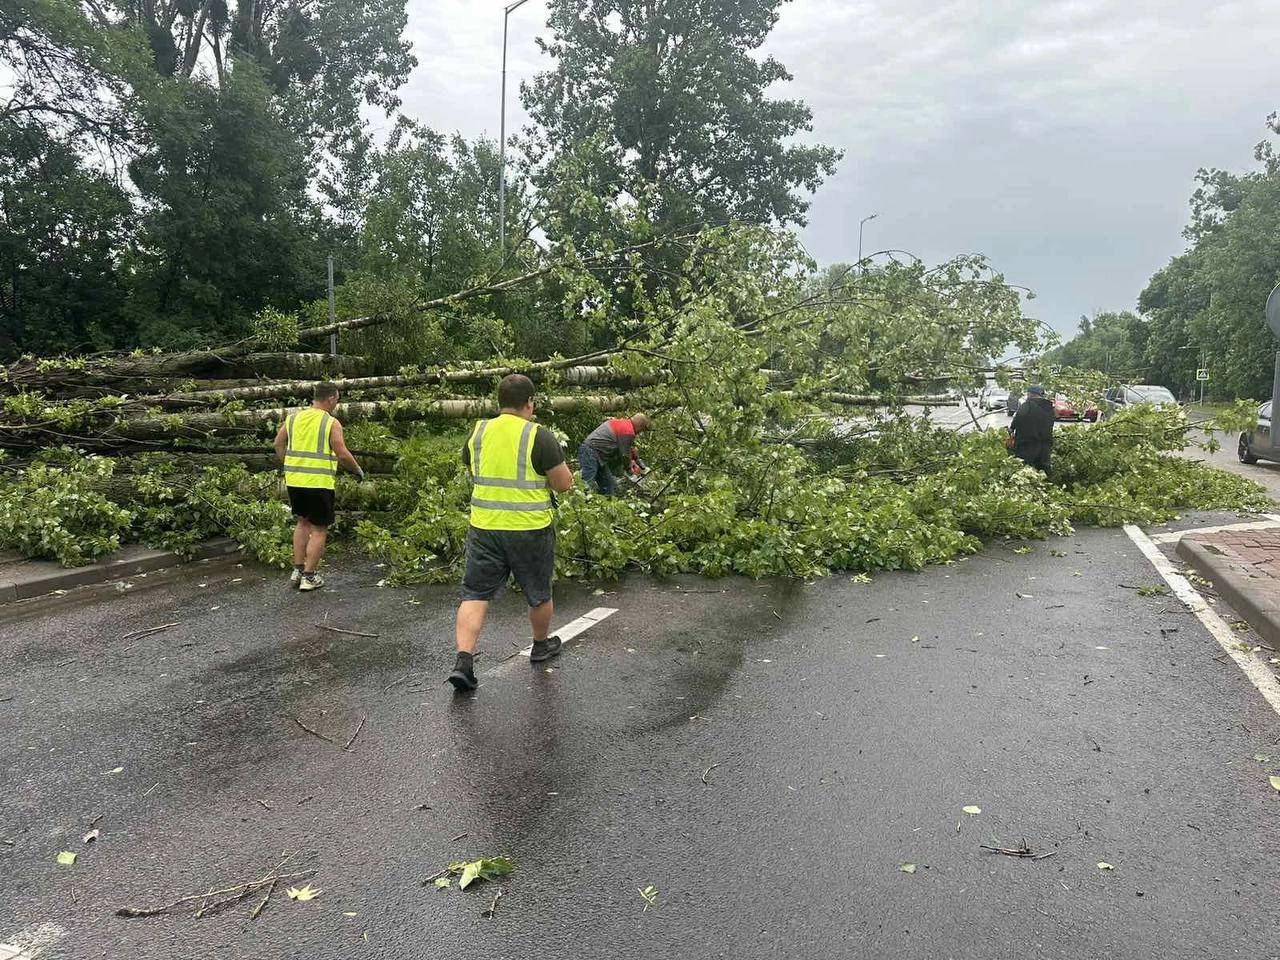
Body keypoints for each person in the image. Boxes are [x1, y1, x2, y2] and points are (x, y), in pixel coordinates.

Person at [447, 374, 575, 692]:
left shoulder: (478, 432)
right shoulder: (539, 436)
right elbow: (563, 483)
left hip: (485, 527)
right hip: (529, 529)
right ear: (530, 402)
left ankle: (464, 662)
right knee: (538, 592)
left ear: (499, 401)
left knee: (475, 594)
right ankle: (540, 645)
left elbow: (473, 468)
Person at [273, 382, 364, 592]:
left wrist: (289, 463)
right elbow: (341, 453)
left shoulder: (294, 418)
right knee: (320, 529)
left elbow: (278, 443)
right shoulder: (330, 422)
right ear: (331, 398)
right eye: (337, 400)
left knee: (302, 523)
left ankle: (297, 570)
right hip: (318, 482)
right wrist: (357, 470)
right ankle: (310, 576)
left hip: (295, 481)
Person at [578, 413, 651, 494]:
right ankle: (578, 503)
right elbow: (624, 455)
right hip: (591, 452)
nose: (639, 433)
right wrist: (629, 470)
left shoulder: (623, 424)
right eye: (641, 430)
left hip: (598, 455)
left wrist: (637, 460)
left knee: (609, 487)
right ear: (640, 426)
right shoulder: (628, 431)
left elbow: (629, 449)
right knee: (586, 485)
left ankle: (603, 505)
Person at [1008, 384, 1055, 473]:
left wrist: (1011, 429)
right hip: (1045, 446)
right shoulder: (1050, 408)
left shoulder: (1027, 405)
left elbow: (1017, 419)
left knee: (1025, 471)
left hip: (1027, 445)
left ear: (1030, 394)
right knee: (1044, 472)